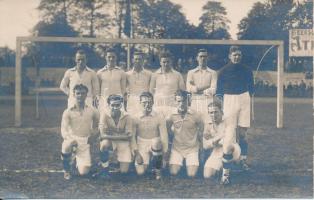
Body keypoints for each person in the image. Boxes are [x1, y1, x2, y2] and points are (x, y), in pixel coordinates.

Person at [215, 46, 254, 171]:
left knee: (242, 133)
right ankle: (229, 159)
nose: (237, 57)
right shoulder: (222, 71)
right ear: (229, 56)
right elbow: (219, 92)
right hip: (229, 99)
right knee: (230, 132)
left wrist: (246, 97)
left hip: (244, 98)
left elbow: (252, 88)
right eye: (234, 55)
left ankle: (242, 160)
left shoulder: (247, 70)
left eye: (239, 55)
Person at [60, 84, 99, 180]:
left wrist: (94, 135)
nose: (80, 96)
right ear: (73, 94)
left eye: (83, 93)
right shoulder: (67, 111)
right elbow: (63, 130)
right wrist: (70, 139)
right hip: (72, 139)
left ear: (86, 95)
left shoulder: (93, 110)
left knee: (84, 173)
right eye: (78, 93)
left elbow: (99, 125)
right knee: (66, 146)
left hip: (85, 142)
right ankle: (66, 170)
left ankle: (76, 160)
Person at [166, 90, 204, 177]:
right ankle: (180, 162)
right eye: (179, 101)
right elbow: (168, 132)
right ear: (175, 102)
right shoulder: (170, 116)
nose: (182, 103)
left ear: (188, 101)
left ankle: (188, 163)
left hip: (192, 149)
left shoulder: (196, 115)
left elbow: (201, 133)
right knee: (173, 173)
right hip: (177, 148)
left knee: (191, 175)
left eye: (184, 101)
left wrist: (201, 151)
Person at [203, 100, 241, 185]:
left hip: (233, 149)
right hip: (217, 151)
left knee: (227, 146)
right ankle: (226, 167)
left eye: (216, 112)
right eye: (211, 112)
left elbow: (228, 139)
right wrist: (219, 137)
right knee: (207, 175)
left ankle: (225, 177)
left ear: (221, 111)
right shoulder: (208, 125)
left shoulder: (229, 121)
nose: (213, 115)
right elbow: (205, 145)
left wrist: (213, 141)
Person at [132, 92, 168, 180]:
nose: (147, 105)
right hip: (141, 143)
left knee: (156, 142)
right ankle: (151, 162)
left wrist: (164, 156)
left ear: (153, 103)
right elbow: (132, 138)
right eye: (144, 102)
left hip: (155, 143)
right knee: (140, 173)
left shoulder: (159, 117)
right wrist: (136, 154)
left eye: (149, 102)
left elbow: (164, 138)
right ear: (140, 103)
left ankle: (157, 170)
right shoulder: (135, 117)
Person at [97, 94, 133, 175]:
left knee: (124, 172)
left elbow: (129, 137)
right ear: (109, 105)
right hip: (112, 142)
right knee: (104, 144)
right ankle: (104, 169)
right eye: (113, 105)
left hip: (123, 144)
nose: (115, 107)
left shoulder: (127, 116)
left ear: (121, 105)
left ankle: (116, 163)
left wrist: (109, 135)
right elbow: (102, 134)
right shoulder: (104, 115)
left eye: (118, 105)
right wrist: (121, 135)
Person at [149, 52, 185, 117]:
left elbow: (182, 91)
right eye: (164, 62)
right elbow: (151, 91)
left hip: (173, 104)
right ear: (160, 62)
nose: (166, 64)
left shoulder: (178, 75)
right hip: (158, 105)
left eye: (168, 62)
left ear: (171, 62)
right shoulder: (155, 75)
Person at [187, 49, 217, 120]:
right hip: (195, 101)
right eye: (201, 56)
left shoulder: (213, 73)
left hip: (208, 101)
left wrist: (196, 89)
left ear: (208, 58)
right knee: (194, 123)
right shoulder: (191, 73)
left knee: (208, 122)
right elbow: (189, 88)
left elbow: (213, 90)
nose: (203, 58)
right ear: (197, 58)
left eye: (205, 56)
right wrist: (206, 86)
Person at [97, 49, 127, 113]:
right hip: (104, 102)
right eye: (109, 57)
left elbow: (123, 90)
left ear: (116, 58)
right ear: (105, 58)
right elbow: (98, 91)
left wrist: (124, 104)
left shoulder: (121, 72)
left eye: (113, 57)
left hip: (118, 102)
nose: (111, 59)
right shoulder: (100, 73)